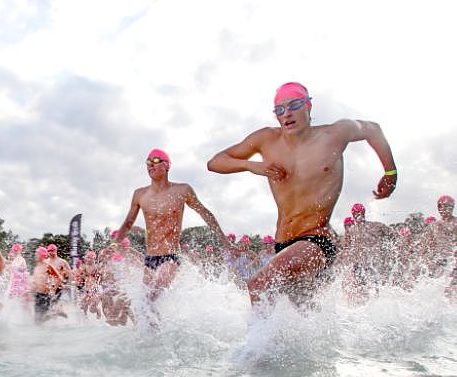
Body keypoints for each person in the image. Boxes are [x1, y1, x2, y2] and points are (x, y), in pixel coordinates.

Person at [207, 82, 397, 306]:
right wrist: (253, 166)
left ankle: (256, 342)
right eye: (279, 109)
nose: (286, 113)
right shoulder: (266, 139)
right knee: (300, 316)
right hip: (282, 244)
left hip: (317, 241)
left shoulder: (334, 134)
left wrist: (390, 172)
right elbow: (215, 162)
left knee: (259, 284)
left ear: (308, 106)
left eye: (294, 105)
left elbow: (373, 129)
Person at [115, 148, 233, 302]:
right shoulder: (140, 194)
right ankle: (158, 326)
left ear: (167, 165)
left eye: (156, 160)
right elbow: (128, 223)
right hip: (150, 257)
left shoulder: (182, 190)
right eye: (148, 162)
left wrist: (225, 241)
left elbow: (205, 213)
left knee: (153, 294)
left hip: (171, 256)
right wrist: (115, 243)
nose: (151, 165)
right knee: (145, 303)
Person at [30, 246, 64, 322]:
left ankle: (56, 312)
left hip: (45, 295)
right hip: (38, 294)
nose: (35, 255)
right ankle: (55, 313)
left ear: (42, 255)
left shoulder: (47, 266)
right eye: (35, 253)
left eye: (37, 254)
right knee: (37, 320)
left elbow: (59, 278)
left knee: (41, 319)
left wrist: (53, 288)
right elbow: (35, 282)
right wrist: (29, 291)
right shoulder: (36, 268)